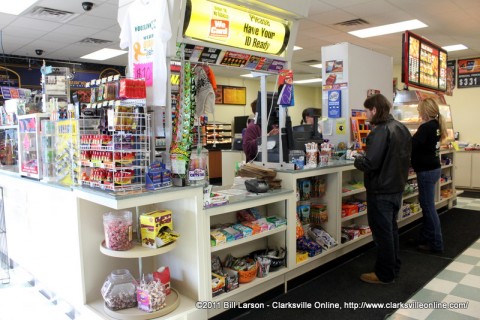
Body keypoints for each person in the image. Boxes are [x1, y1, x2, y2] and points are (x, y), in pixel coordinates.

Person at [353, 93, 411, 284]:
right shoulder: (401, 128)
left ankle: (384, 274)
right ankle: (393, 267)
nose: (365, 114)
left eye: (366, 110)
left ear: (374, 110)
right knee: (391, 230)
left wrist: (357, 159)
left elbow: (371, 163)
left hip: (381, 190)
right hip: (396, 187)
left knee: (382, 233)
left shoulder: (380, 131)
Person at [410, 98, 447, 254]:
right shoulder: (436, 126)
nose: (418, 113)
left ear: (425, 111)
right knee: (427, 206)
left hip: (426, 171)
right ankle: (425, 237)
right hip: (433, 168)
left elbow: (412, 144)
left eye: (419, 110)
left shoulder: (426, 127)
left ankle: (436, 243)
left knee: (428, 208)